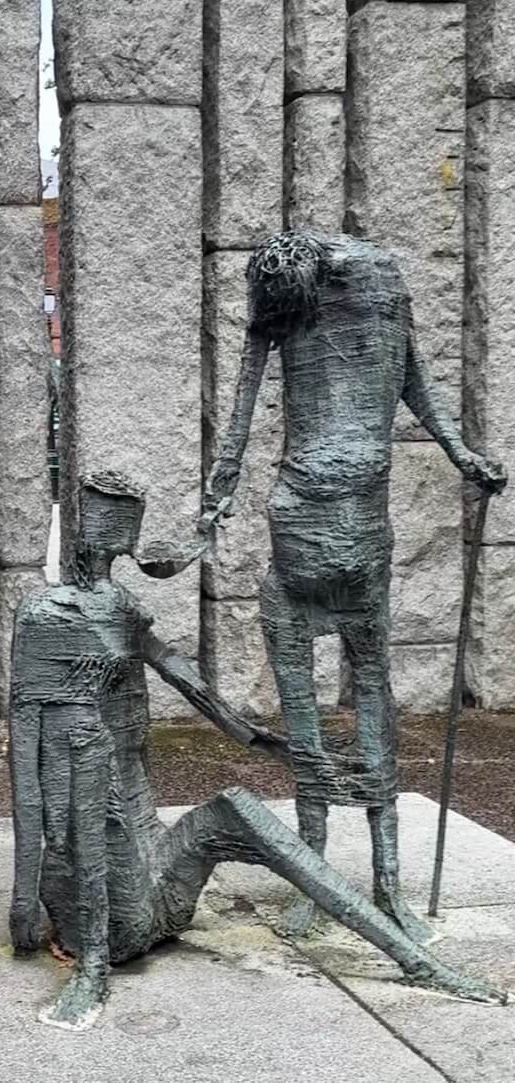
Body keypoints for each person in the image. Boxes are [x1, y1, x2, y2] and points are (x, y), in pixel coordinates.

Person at [8, 470, 504, 1030]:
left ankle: (418, 962)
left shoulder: (121, 607)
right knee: (97, 798)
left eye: (124, 521)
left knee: (237, 807)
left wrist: (261, 740)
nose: (113, 538)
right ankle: (92, 971)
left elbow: (180, 671)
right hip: (105, 905)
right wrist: (24, 897)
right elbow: (25, 752)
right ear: (80, 525)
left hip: (157, 878)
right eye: (107, 518)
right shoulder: (45, 616)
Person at [158, 232, 506, 941]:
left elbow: (415, 378)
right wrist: (216, 498)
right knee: (307, 723)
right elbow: (243, 409)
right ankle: (314, 874)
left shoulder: (384, 288)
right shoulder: (287, 298)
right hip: (300, 527)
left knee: (374, 702)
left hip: (363, 527)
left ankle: (385, 884)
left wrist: (460, 451)